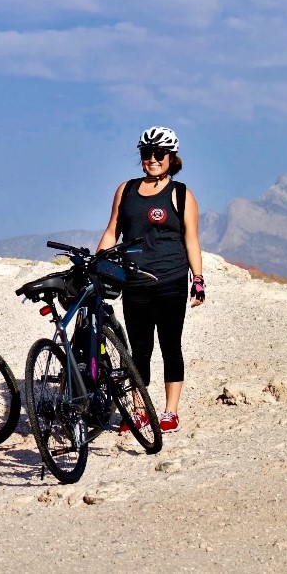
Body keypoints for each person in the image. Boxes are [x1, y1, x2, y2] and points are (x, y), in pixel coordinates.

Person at [97, 126, 204, 434]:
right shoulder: (126, 190)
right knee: (139, 349)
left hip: (170, 280)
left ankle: (171, 412)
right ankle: (141, 410)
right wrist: (97, 261)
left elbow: (192, 240)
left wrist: (198, 279)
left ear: (171, 158)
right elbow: (111, 231)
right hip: (134, 282)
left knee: (171, 345)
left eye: (159, 154)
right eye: (147, 154)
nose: (153, 160)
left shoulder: (181, 194)